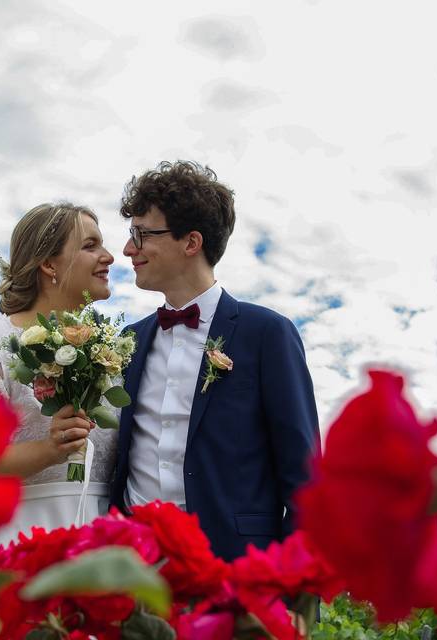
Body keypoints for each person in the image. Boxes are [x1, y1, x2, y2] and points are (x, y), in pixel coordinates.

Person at [110, 161, 320, 561]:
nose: (128, 249)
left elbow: (305, 479)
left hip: (233, 565)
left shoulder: (267, 334)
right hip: (134, 571)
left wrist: (295, 597)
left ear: (191, 243)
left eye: (141, 234)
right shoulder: (128, 342)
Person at [0, 202, 116, 575]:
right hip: (23, 541)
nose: (108, 257)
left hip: (103, 544)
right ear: (49, 264)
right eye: (90, 245)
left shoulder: (107, 350)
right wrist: (48, 450)